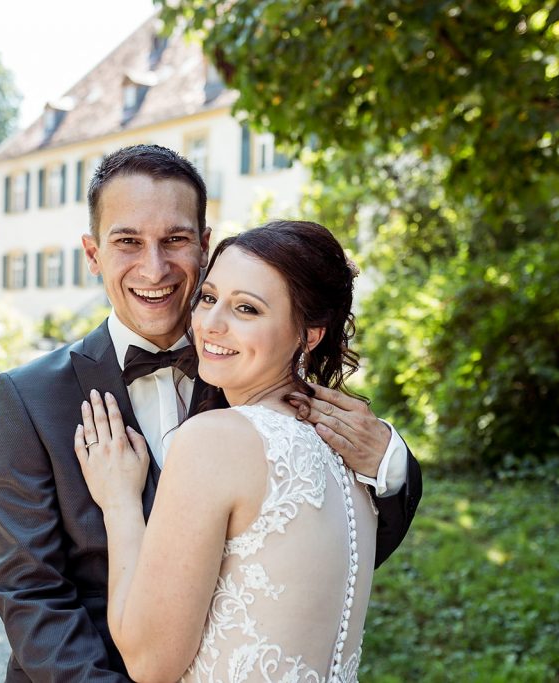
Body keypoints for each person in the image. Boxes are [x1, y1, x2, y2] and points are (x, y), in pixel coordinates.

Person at [0, 145, 421, 682]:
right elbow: (28, 589)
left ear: (205, 245)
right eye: (127, 242)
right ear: (93, 254)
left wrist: (390, 464)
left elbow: (319, 562)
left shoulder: (263, 379)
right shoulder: (30, 397)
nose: (154, 267)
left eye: (175, 240)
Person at [76, 220, 377, 682]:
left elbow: (150, 663)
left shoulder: (215, 439)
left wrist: (118, 501)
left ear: (309, 334)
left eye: (247, 309)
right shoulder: (349, 449)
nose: (211, 325)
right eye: (210, 298)